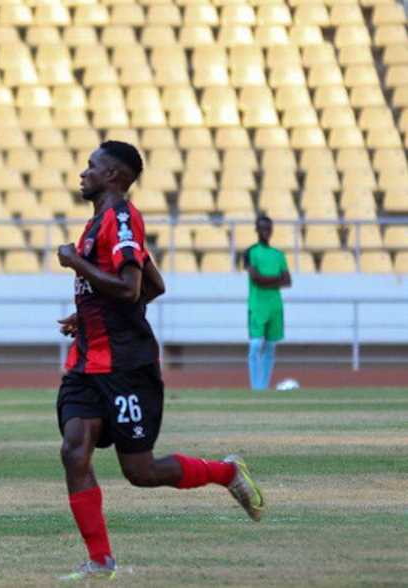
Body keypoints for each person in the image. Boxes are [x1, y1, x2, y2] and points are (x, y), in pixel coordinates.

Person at [54, 141, 265, 581]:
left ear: (113, 176)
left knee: (141, 470)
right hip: (87, 364)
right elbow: (155, 286)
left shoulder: (122, 219)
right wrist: (87, 314)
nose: (83, 173)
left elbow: (131, 287)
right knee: (74, 451)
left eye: (92, 166)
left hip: (126, 365)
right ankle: (100, 561)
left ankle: (226, 472)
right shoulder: (97, 224)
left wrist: (75, 263)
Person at [242, 215, 291, 391]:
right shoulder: (250, 252)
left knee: (270, 347)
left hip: (275, 306)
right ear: (256, 230)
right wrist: (276, 280)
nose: (266, 231)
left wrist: (266, 280)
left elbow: (288, 281)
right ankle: (256, 388)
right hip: (257, 305)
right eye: (262, 228)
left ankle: (263, 387)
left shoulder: (278, 255)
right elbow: (256, 278)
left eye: (268, 228)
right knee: (256, 345)